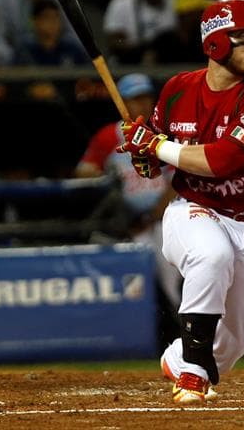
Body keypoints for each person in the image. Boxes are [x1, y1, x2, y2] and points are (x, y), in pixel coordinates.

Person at [116, 0, 244, 404]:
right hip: (194, 210)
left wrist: (155, 146)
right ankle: (192, 375)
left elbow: (220, 160)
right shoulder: (178, 89)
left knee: (236, 341)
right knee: (212, 256)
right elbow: (154, 163)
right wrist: (144, 155)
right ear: (214, 44)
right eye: (242, 37)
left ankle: (179, 359)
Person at [75, 72, 181, 335]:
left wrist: (157, 212)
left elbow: (180, 176)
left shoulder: (164, 131)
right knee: (136, 281)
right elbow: (82, 173)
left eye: (146, 98)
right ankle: (143, 333)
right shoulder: (108, 137)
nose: (142, 105)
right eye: (134, 99)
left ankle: (183, 333)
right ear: (121, 102)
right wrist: (105, 177)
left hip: (164, 220)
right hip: (127, 226)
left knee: (173, 278)